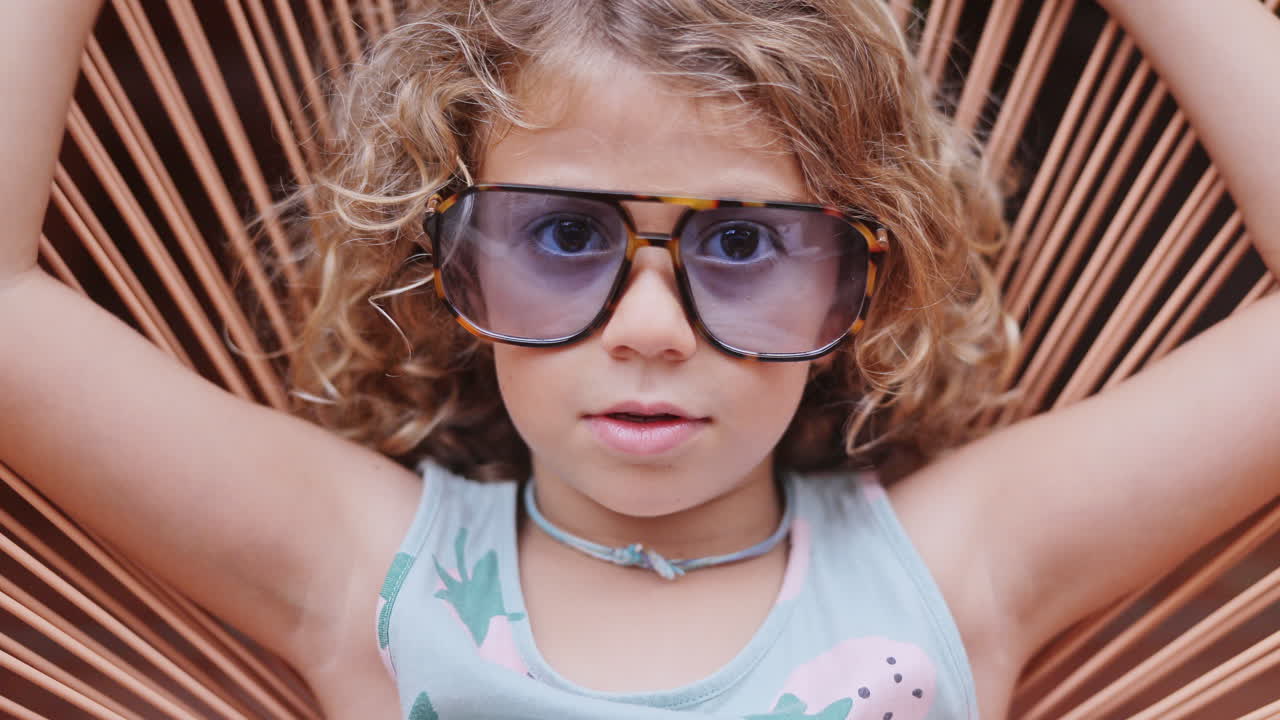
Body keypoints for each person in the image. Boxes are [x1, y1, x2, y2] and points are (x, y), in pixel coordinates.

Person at [1, 0, 1277, 718]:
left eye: (739, 240)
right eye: (562, 233)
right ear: (449, 267)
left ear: (856, 276)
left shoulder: (948, 572)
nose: (650, 326)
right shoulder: (379, 577)